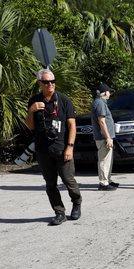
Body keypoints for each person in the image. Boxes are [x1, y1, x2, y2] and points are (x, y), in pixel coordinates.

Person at [26, 69, 81, 226]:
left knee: (68, 180)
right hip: (43, 150)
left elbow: (72, 126)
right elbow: (30, 127)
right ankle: (59, 212)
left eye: (52, 81)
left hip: (62, 149)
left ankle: (76, 203)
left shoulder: (64, 101)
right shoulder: (34, 101)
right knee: (50, 184)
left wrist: (70, 147)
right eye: (46, 82)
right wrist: (32, 110)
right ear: (40, 84)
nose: (50, 84)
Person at [91, 83, 119, 191]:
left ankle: (108, 179)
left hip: (106, 137)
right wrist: (108, 137)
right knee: (103, 160)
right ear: (105, 92)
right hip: (103, 137)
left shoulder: (101, 102)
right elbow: (101, 121)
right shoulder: (99, 103)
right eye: (109, 92)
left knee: (108, 160)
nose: (110, 94)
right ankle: (103, 183)